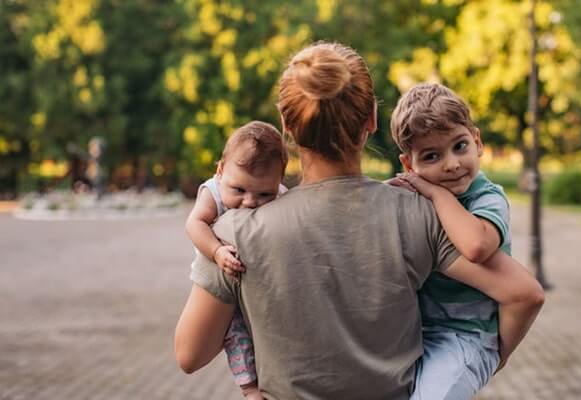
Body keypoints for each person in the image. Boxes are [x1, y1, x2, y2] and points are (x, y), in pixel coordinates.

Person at [174, 41, 544, 400]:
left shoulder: (233, 233)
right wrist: (486, 360)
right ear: (372, 118)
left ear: (286, 124)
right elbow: (523, 294)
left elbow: (190, 355)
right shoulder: (421, 215)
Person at [388, 83, 514, 399]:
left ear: (477, 141)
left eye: (459, 146)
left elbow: (476, 246)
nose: (452, 164)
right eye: (432, 156)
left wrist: (434, 192)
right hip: (418, 333)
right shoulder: (412, 196)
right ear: (408, 165)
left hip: (467, 336)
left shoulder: (488, 198)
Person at [184, 121, 288, 400]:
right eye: (239, 190)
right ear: (220, 172)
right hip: (219, 278)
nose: (249, 202)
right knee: (237, 335)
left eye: (264, 194)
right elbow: (195, 224)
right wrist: (217, 251)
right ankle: (249, 388)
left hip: (255, 284)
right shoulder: (213, 192)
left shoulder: (283, 197)